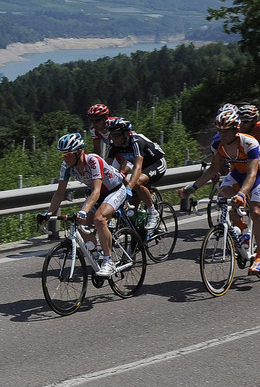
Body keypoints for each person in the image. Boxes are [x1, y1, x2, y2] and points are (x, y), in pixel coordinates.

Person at [179, 108, 260, 275]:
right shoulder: (218, 144)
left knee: (256, 210)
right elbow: (213, 169)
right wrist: (192, 188)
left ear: (236, 130)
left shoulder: (249, 143)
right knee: (224, 197)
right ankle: (244, 229)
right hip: (238, 171)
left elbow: (251, 174)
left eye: (226, 131)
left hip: (259, 172)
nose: (222, 135)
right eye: (219, 131)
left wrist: (242, 194)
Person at [42, 132, 128, 277]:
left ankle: (108, 261)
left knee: (99, 219)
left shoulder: (93, 160)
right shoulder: (66, 167)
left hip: (115, 190)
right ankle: (97, 253)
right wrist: (49, 213)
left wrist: (84, 209)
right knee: (78, 224)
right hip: (99, 195)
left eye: (68, 155)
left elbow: (96, 190)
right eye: (63, 155)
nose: (65, 159)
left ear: (79, 151)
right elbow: (59, 193)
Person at [105, 117, 168, 231]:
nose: (113, 138)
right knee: (130, 198)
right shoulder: (113, 144)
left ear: (125, 134)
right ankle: (137, 232)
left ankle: (152, 212)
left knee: (137, 183)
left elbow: (138, 168)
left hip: (156, 163)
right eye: (111, 135)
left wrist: (129, 188)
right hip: (136, 164)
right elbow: (106, 167)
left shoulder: (136, 141)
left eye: (116, 135)